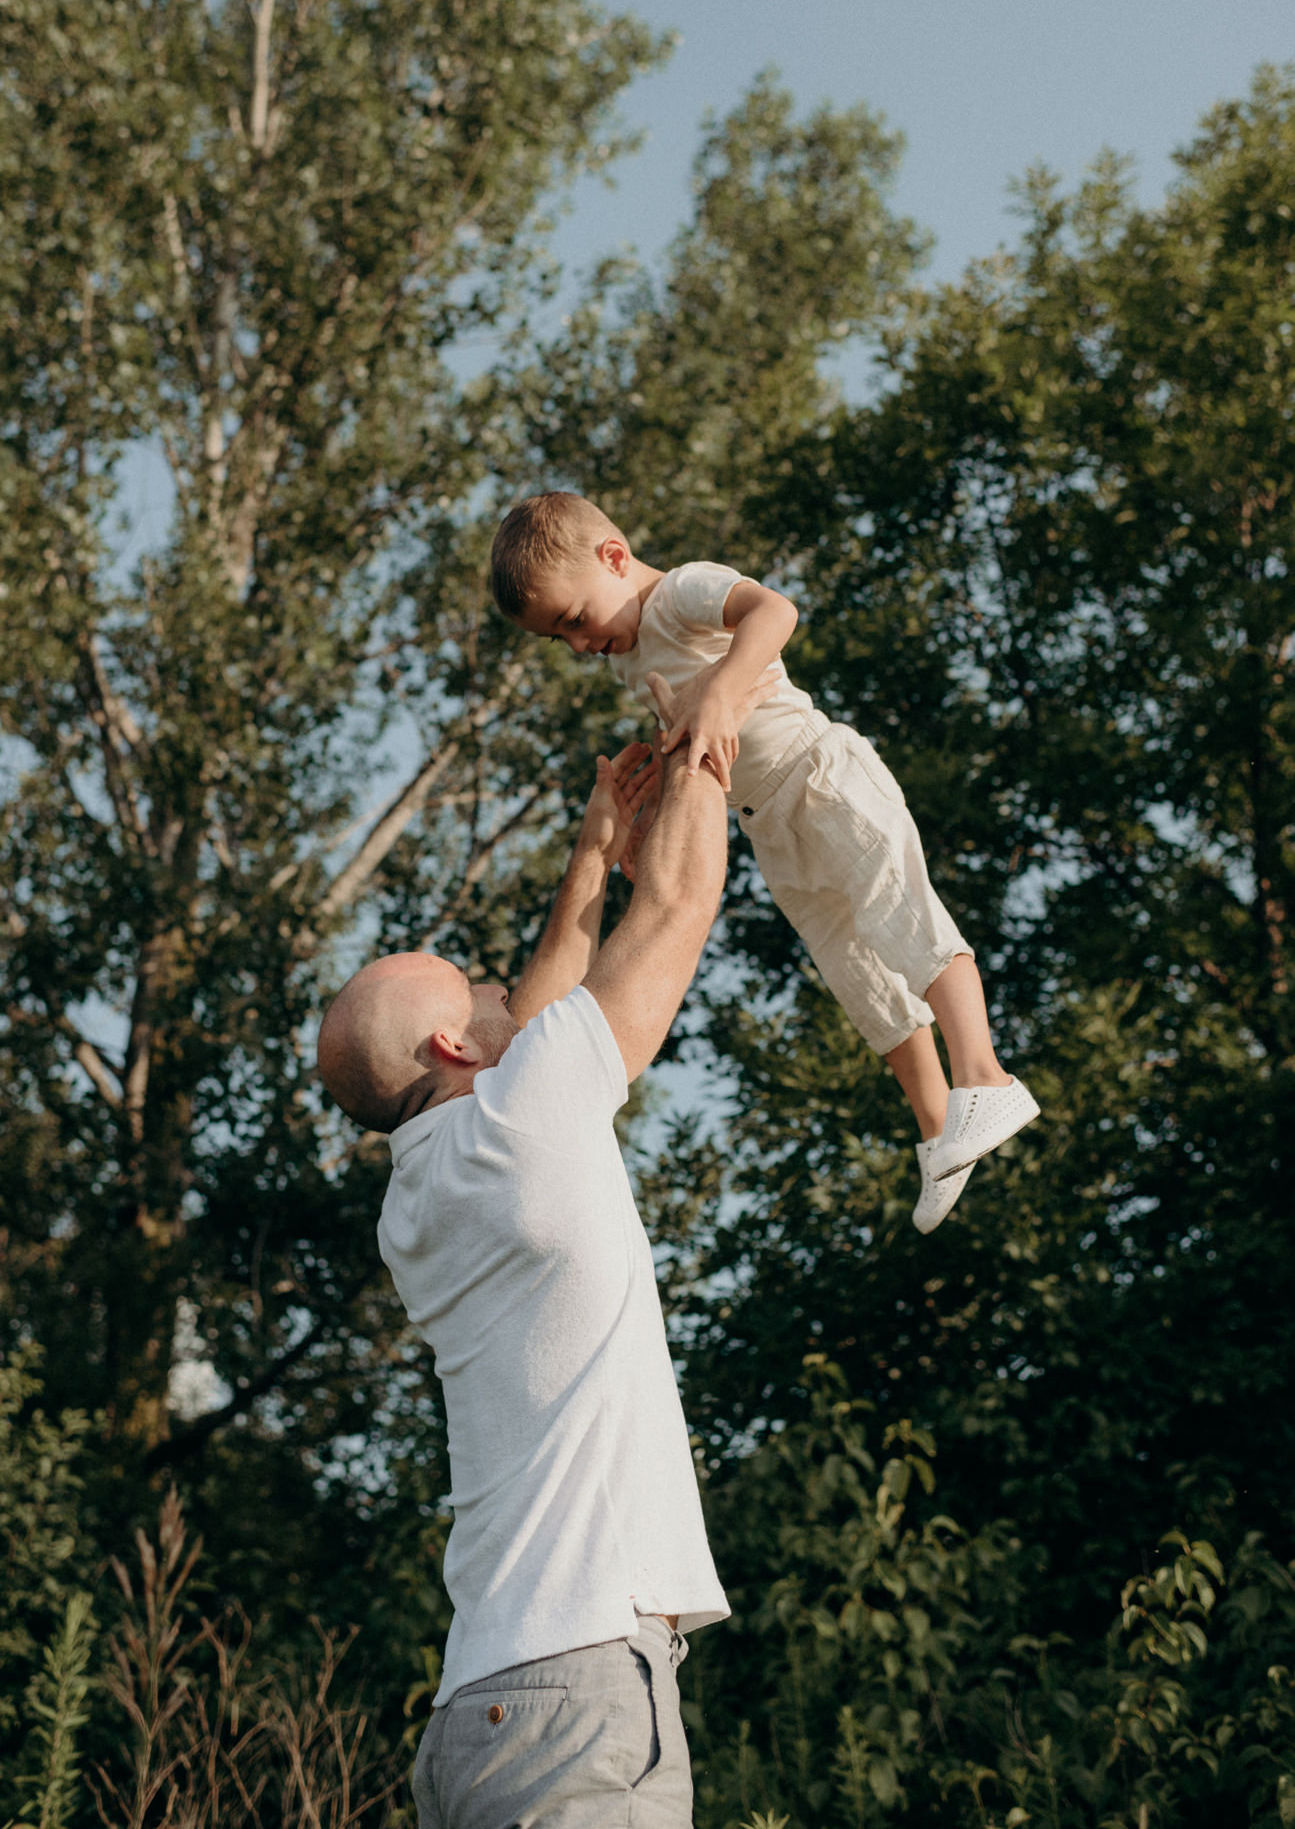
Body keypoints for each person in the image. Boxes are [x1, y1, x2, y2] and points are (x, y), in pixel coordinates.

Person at [318, 723, 770, 1827]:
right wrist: (717, 723)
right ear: (452, 1050)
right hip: (572, 1697)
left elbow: (530, 1026)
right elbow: (674, 907)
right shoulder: (523, 1122)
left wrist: (589, 848)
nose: (494, 987)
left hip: (485, 1703)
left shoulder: (417, 1193)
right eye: (469, 985)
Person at [489, 491, 1040, 1236]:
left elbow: (773, 612)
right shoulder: (632, 661)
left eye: (575, 621)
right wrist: (647, 816)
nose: (581, 646)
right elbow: (686, 737)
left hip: (821, 776)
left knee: (898, 912)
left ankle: (985, 1073)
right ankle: (939, 1123)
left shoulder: (681, 590)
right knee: (855, 969)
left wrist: (721, 686)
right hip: (767, 822)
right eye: (561, 640)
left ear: (613, 559)